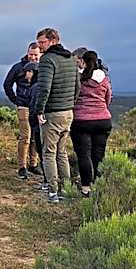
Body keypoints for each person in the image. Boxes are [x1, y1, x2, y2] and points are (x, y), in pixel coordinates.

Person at [33, 27, 80, 203]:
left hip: (52, 113)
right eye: (38, 43)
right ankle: (66, 190)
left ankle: (52, 191)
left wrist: (39, 110)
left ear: (53, 41)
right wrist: (70, 104)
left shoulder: (47, 60)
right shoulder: (70, 59)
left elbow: (44, 88)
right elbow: (77, 87)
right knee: (62, 152)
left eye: (42, 42)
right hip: (68, 112)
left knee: (49, 153)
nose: (40, 46)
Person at [70, 51, 112, 198]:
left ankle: (86, 187)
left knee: (84, 155)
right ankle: (97, 185)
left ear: (83, 62)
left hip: (81, 121)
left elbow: (72, 98)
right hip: (103, 120)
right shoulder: (104, 79)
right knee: (98, 155)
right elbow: (108, 99)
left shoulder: (78, 78)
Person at [2, 43, 41, 179]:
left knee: (36, 136)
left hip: (37, 107)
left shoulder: (43, 67)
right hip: (23, 105)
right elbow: (7, 84)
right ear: (27, 52)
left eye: (36, 55)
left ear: (40, 54)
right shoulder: (18, 67)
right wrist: (15, 100)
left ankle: (33, 164)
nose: (33, 57)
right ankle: (22, 167)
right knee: (25, 136)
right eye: (31, 54)